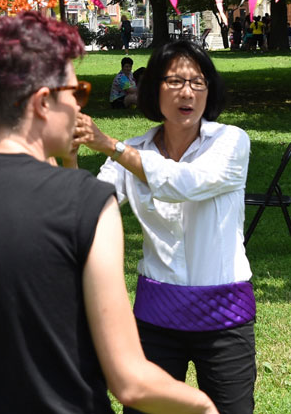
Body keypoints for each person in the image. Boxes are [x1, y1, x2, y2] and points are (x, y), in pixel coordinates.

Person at [0, 11, 217, 414]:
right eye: (76, 92)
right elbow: (131, 382)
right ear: (41, 104)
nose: (79, 107)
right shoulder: (89, 203)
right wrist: (202, 405)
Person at [75, 39, 254, 414]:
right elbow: (86, 209)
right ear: (154, 88)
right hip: (156, 315)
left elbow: (183, 184)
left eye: (198, 82)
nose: (187, 92)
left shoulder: (231, 142)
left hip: (223, 316)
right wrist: (67, 157)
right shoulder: (135, 150)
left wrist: (109, 145)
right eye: (174, 82)